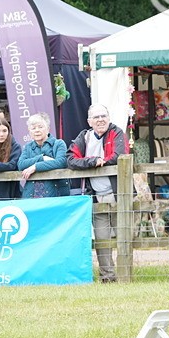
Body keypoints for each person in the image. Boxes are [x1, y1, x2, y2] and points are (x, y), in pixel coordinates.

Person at [66, 104, 128, 283]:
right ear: (89, 121)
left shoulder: (117, 133)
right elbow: (70, 159)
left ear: (109, 118)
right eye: (96, 117)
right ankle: (108, 277)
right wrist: (93, 161)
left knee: (125, 237)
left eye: (103, 116)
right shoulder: (84, 137)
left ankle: (126, 275)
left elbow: (119, 156)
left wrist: (103, 161)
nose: (100, 120)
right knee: (102, 239)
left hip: (119, 194)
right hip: (96, 196)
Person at [17, 112, 70, 198]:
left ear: (48, 129)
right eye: (33, 128)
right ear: (29, 131)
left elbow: (61, 162)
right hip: (32, 195)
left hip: (56, 194)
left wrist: (35, 167)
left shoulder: (59, 144)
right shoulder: (28, 147)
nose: (37, 130)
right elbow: (21, 164)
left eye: (40, 127)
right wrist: (42, 158)